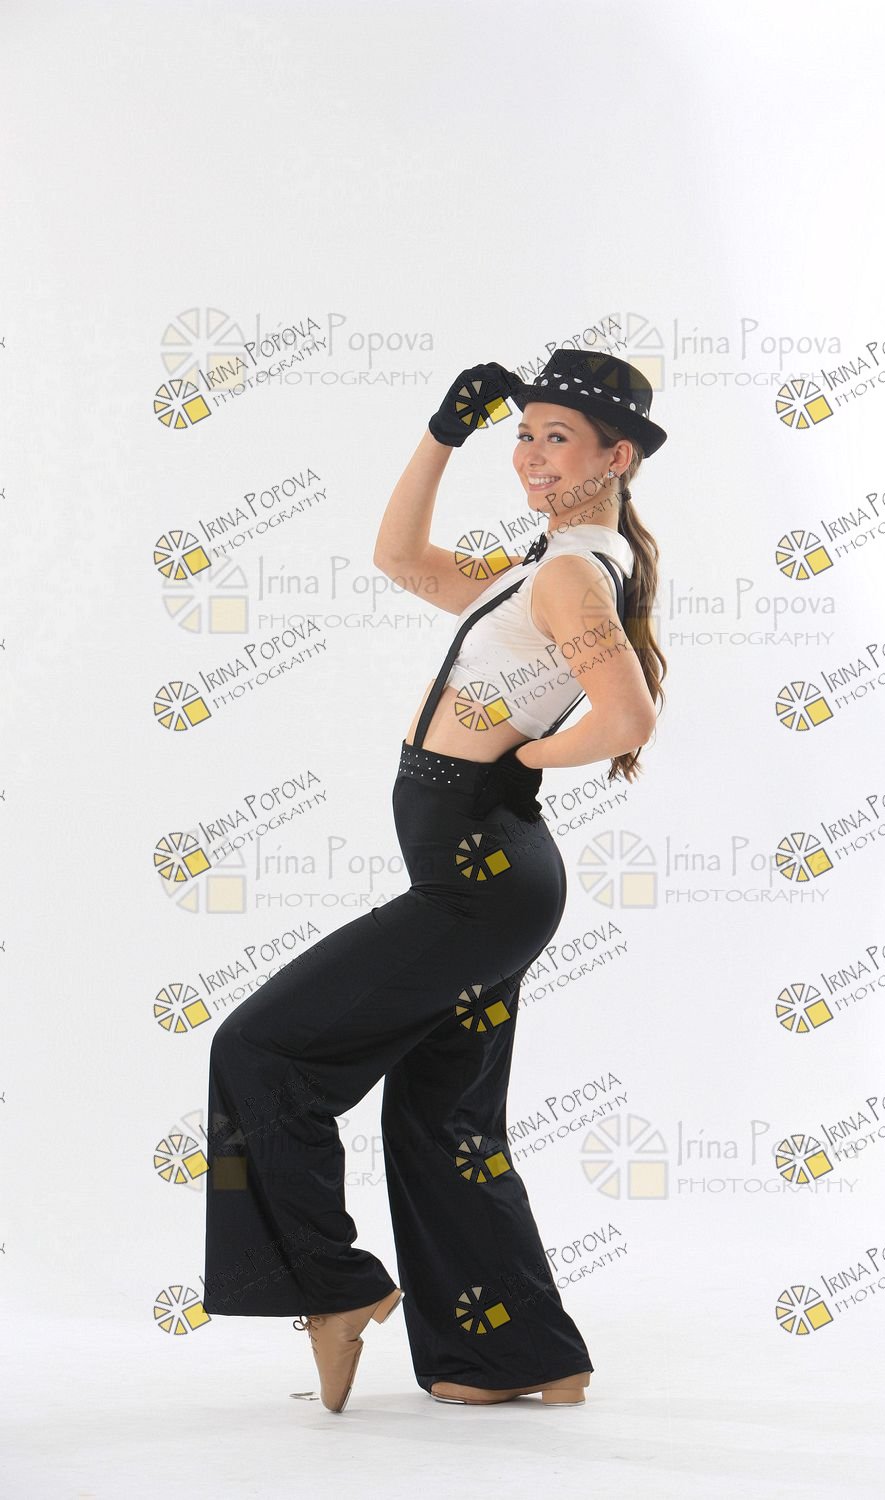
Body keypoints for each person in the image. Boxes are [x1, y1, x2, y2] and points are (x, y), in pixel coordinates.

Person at [202, 349, 669, 1413]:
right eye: (525, 434)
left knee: (260, 1049)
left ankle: (336, 1290)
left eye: (559, 438)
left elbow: (627, 717)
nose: (532, 456)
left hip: (477, 882)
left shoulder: (566, 575)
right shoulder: (543, 566)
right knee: (443, 1125)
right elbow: (401, 558)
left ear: (617, 458)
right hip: (487, 875)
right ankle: (512, 1356)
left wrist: (517, 756)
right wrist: (442, 435)